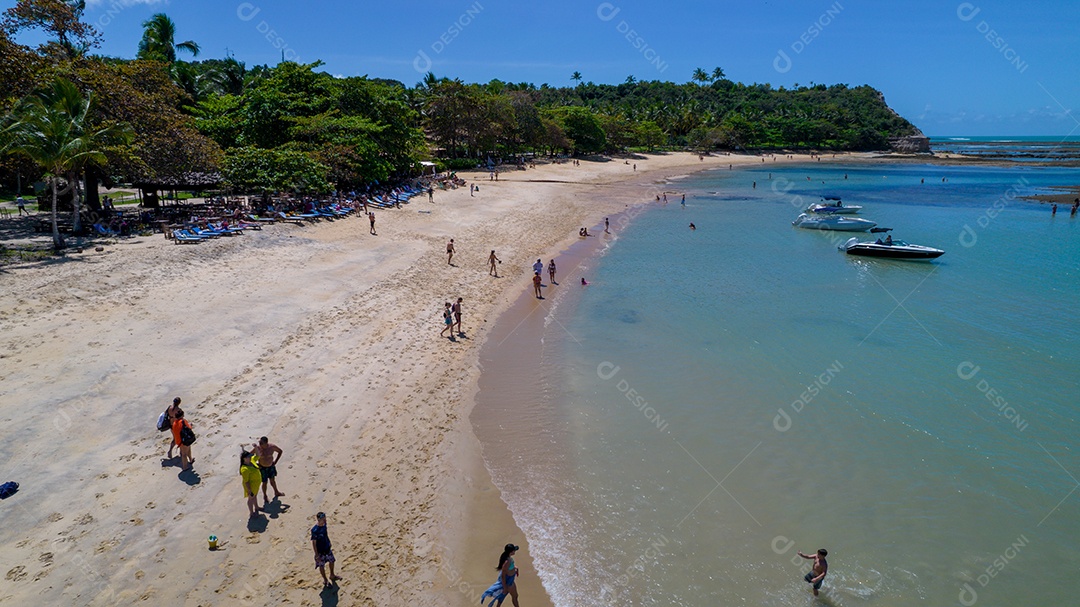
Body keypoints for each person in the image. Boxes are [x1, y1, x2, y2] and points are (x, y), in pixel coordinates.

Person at [311, 512, 341, 588]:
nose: (324, 520)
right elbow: (314, 543)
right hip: (320, 551)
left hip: (327, 547)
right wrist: (317, 555)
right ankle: (325, 580)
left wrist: (329, 541)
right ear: (318, 519)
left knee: (332, 561)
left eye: (325, 518)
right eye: (322, 519)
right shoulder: (315, 530)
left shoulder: (324, 525)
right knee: (322, 566)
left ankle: (332, 575)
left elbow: (326, 534)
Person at [252, 437, 285, 505]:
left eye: (261, 443)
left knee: (272, 480)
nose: (260, 444)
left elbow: (280, 451)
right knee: (264, 483)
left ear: (266, 443)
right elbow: (249, 456)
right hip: (262, 468)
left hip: (270, 467)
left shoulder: (272, 447)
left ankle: (276, 492)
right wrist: (255, 465)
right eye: (259, 443)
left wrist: (275, 461)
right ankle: (265, 496)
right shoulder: (258, 449)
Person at [240, 451, 262, 518]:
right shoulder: (244, 469)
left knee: (255, 496)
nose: (250, 457)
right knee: (250, 499)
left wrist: (256, 448)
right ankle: (251, 513)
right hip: (251, 486)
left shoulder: (251, 461)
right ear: (244, 458)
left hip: (256, 484)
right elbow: (246, 481)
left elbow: (258, 454)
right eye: (248, 457)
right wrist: (249, 491)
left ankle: (257, 507)